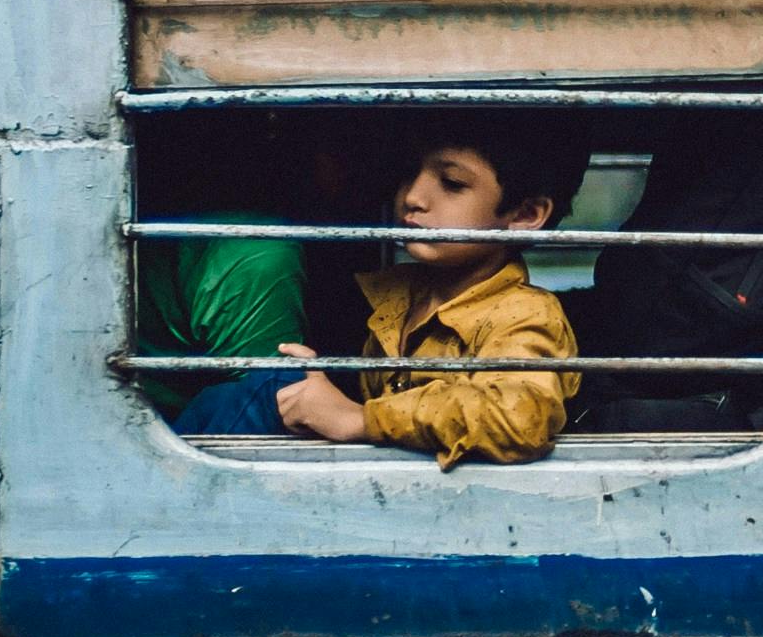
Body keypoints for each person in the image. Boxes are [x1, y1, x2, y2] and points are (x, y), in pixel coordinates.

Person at [171, 112, 588, 464]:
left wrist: (360, 419)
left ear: (526, 213)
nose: (412, 197)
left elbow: (519, 417)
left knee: (267, 391)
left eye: (452, 184)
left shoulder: (524, 314)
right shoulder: (397, 298)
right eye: (410, 174)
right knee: (271, 384)